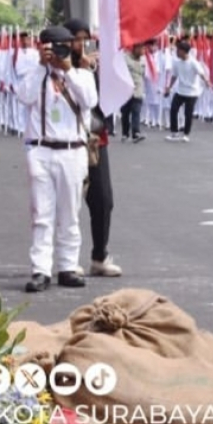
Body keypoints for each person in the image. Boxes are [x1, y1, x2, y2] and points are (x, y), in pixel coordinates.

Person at [18, 25, 96, 292]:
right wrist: (42, 66)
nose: (57, 51)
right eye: (51, 47)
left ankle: (68, 266)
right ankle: (41, 270)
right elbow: (24, 96)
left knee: (70, 212)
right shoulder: (35, 74)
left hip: (73, 150)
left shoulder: (82, 75)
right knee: (41, 213)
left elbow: (89, 101)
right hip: (40, 150)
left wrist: (67, 69)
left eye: (62, 46)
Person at [66, 19, 122, 278]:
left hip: (95, 141)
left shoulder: (93, 67)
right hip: (66, 142)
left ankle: (100, 254)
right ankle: (67, 260)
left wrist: (94, 71)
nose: (81, 45)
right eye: (75, 39)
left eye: (84, 39)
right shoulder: (57, 68)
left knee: (102, 200)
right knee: (70, 202)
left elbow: (103, 100)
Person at [166, 40, 210, 141]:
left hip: (192, 92)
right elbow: (174, 76)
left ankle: (186, 134)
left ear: (184, 51)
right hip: (180, 91)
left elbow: (201, 73)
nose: (176, 52)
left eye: (178, 50)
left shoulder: (193, 62)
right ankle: (174, 132)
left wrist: (207, 82)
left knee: (188, 113)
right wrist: (169, 87)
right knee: (173, 109)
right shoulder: (177, 63)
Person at [119, 42, 148, 143]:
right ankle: (125, 133)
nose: (143, 51)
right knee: (125, 113)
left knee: (136, 112)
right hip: (126, 90)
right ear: (135, 48)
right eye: (141, 48)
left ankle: (136, 133)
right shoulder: (125, 58)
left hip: (138, 90)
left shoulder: (143, 60)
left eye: (144, 49)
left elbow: (143, 74)